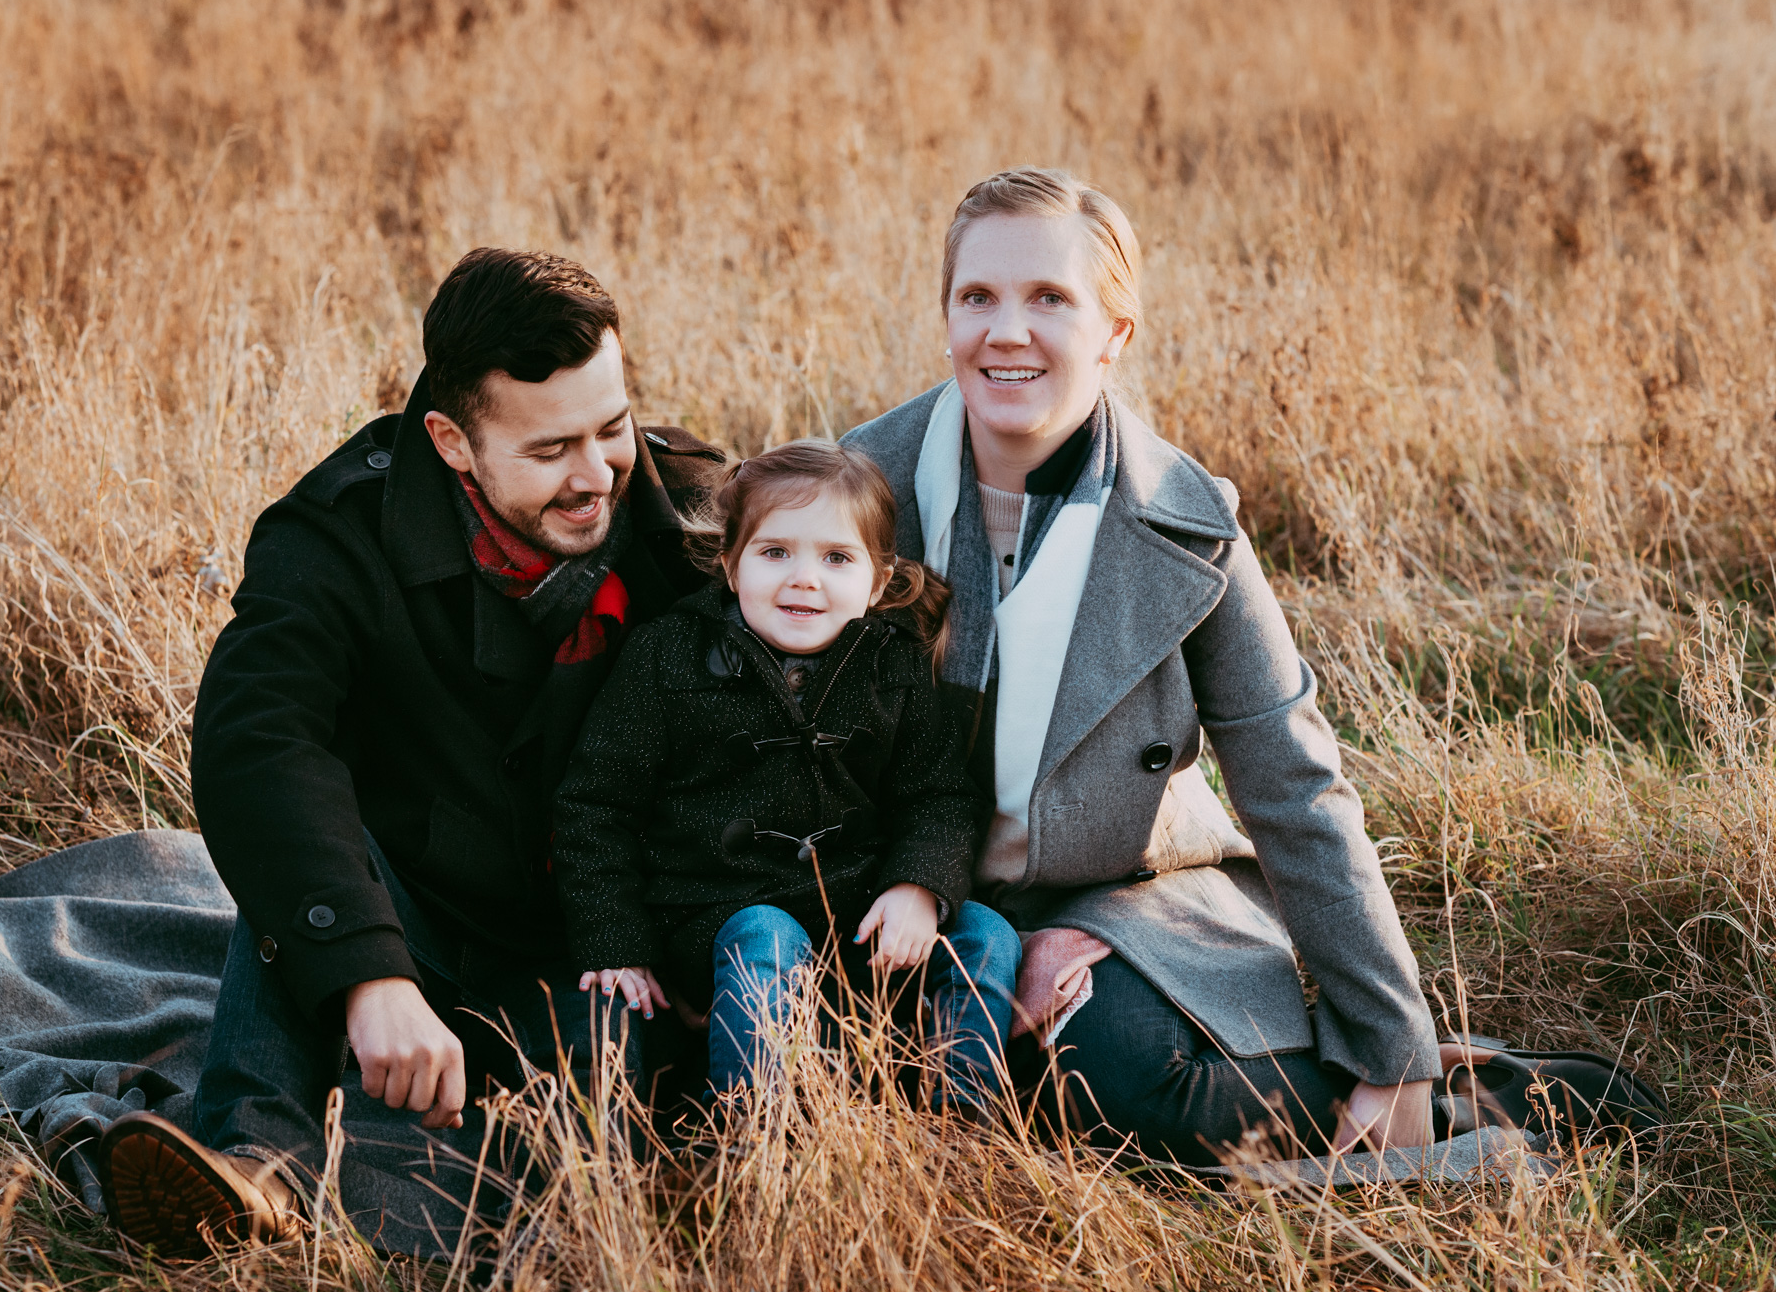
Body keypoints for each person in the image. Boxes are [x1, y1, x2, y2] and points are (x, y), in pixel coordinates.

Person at [96, 248, 723, 1256]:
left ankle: (382, 1203)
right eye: (553, 447)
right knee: (300, 869)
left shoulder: (696, 517)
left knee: (598, 1140)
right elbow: (261, 739)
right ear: (452, 440)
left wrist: (703, 925)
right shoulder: (337, 532)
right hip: (413, 903)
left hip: (601, 934)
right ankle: (254, 1167)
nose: (597, 473)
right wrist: (367, 976)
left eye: (611, 428)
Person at [840, 167, 1444, 1165]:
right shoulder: (855, 490)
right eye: (977, 296)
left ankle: (1461, 1092)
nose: (1007, 332)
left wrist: (1394, 1052)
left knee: (1109, 1075)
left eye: (1051, 299)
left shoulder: (1187, 527)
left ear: (1115, 333)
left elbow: (1293, 782)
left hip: (1119, 889)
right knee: (862, 1065)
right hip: (891, 889)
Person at [551, 440, 1021, 1112]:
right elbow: (596, 806)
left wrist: (919, 885)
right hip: (719, 918)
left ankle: (958, 1124)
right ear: (730, 564)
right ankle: (761, 1135)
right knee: (765, 935)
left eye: (836, 558)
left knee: (986, 935)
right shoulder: (668, 655)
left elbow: (938, 793)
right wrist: (617, 941)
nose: (804, 578)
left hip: (861, 919)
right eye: (775, 552)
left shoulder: (894, 663)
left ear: (878, 580)